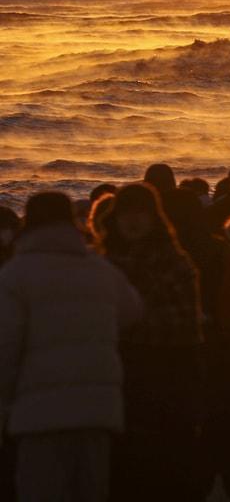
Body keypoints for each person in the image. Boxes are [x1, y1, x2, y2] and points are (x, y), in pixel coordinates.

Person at [0, 192, 142, 502]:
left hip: (39, 415)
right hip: (97, 411)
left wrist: (5, 407)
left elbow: (6, 348)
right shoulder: (100, 269)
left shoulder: (15, 275)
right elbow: (132, 312)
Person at [98, 182, 204, 501]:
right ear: (113, 219)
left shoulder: (173, 261)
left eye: (141, 213)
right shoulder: (101, 263)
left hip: (163, 377)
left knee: (162, 471)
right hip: (113, 380)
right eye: (125, 214)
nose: (133, 221)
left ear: (153, 218)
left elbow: (184, 326)